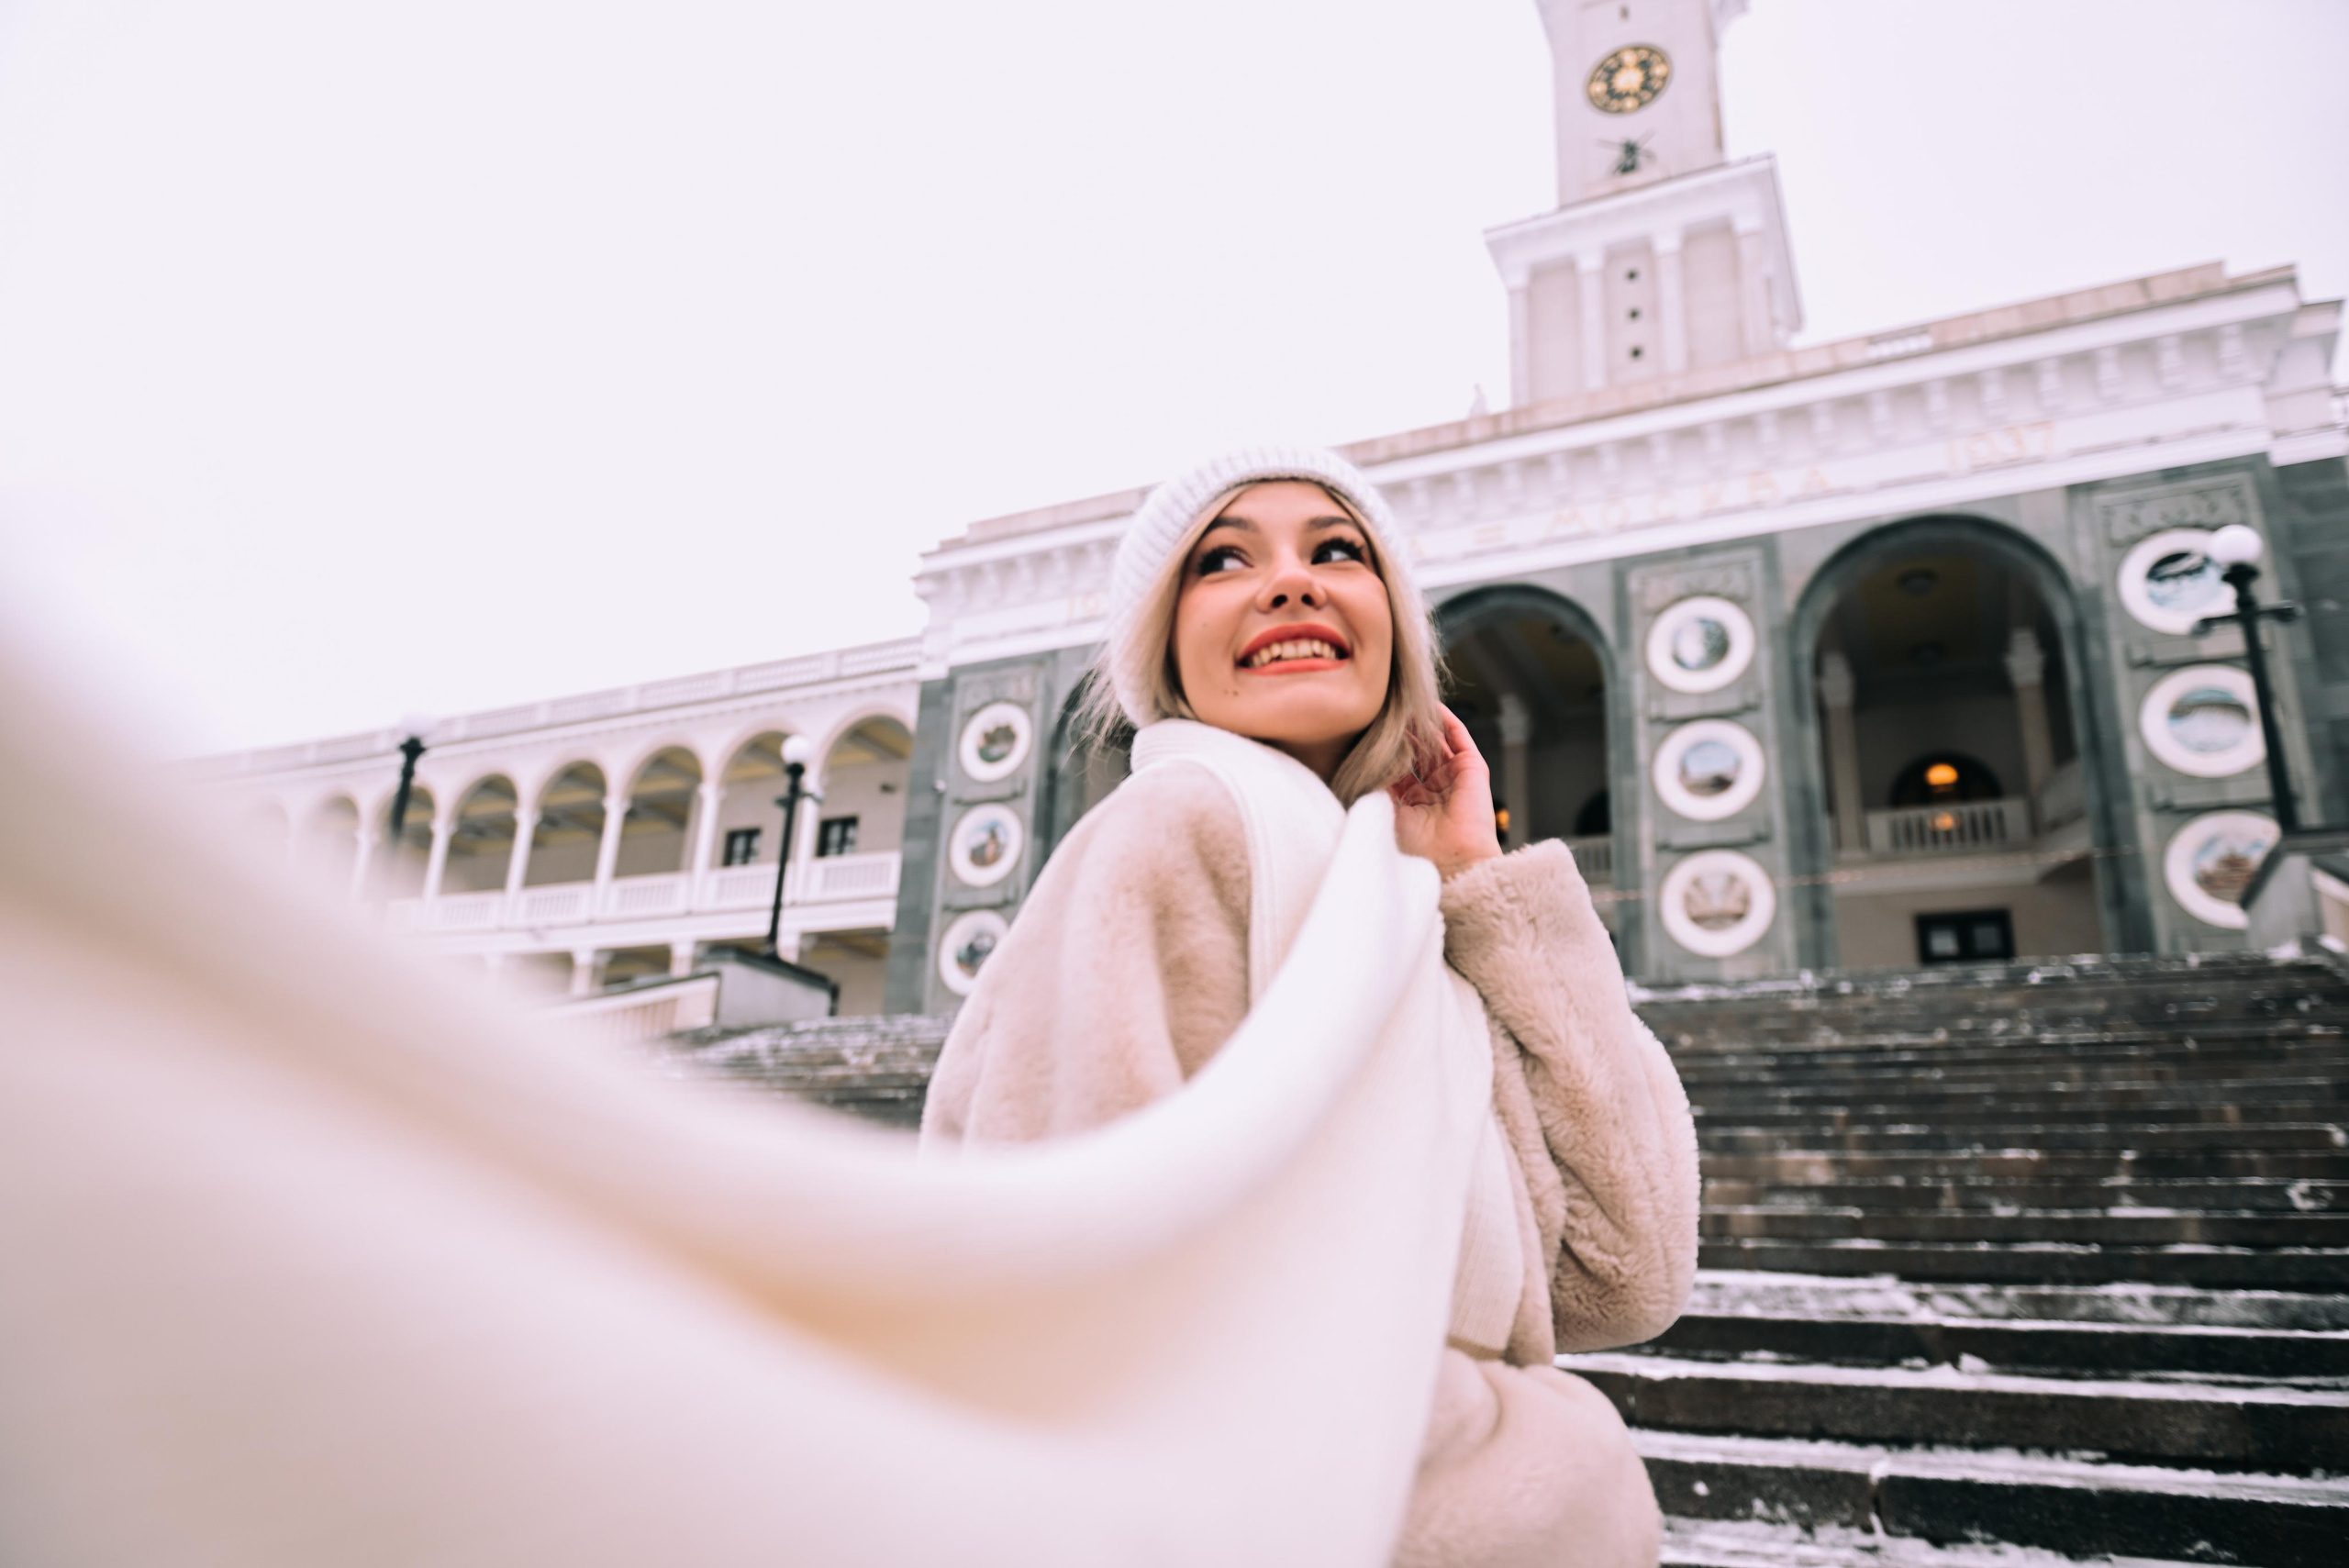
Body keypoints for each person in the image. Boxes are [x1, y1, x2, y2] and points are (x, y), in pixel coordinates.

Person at [925, 445, 1701, 1567]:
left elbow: (1622, 1266)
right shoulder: (1179, 830)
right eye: (1223, 561)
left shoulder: (1392, 908)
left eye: (1338, 550)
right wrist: (1522, 1483)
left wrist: (1481, 878)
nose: (1292, 581)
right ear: (1168, 652)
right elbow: (1093, 1327)